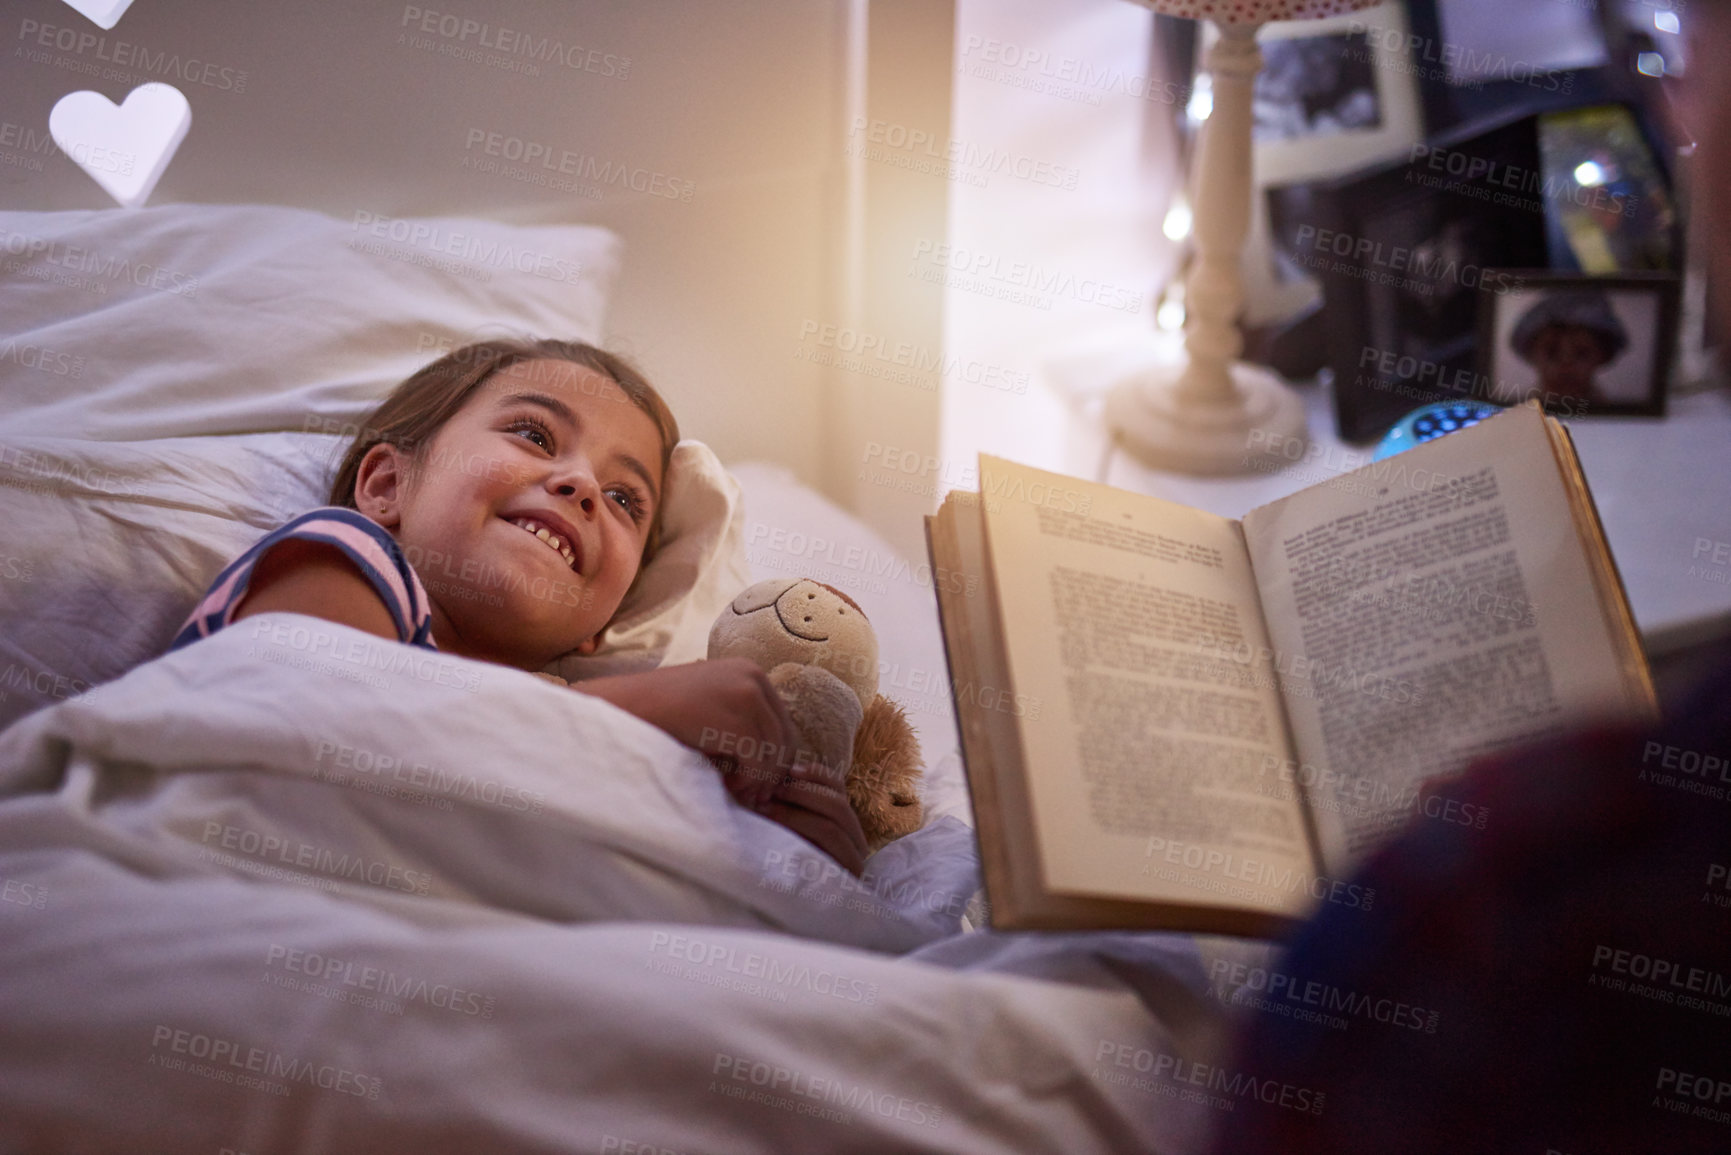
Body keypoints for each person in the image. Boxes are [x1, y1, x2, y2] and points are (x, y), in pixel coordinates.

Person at [166, 337, 869, 875]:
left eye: (624, 499)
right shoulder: (352, 554)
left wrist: (787, 853)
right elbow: (294, 736)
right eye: (534, 435)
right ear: (386, 485)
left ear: (605, 621)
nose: (581, 484)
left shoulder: (606, 738)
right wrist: (637, 709)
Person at [1506, 289, 1628, 411]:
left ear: (1603, 355)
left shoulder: (1622, 417)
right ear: (1531, 354)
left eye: (1581, 353)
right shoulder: (1512, 413)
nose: (1566, 364)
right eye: (1552, 352)